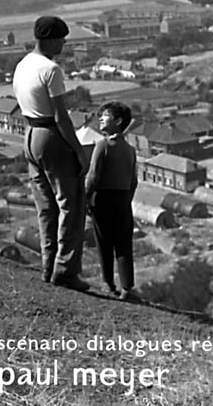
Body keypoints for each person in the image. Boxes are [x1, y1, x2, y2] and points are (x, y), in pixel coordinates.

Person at [13, 15, 90, 292]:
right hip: (51, 136)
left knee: (46, 207)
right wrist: (79, 152)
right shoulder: (51, 69)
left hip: (30, 135)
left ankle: (48, 268)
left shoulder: (22, 65)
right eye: (60, 38)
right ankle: (66, 271)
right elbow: (61, 117)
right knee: (71, 204)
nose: (63, 43)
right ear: (48, 39)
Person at [85, 101, 138, 300]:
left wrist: (86, 199)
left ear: (118, 120)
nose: (100, 119)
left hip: (103, 200)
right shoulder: (130, 150)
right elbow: (134, 181)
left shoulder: (102, 146)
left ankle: (108, 284)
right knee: (124, 245)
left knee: (104, 244)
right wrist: (126, 200)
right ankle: (127, 288)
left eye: (105, 115)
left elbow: (92, 177)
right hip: (123, 200)